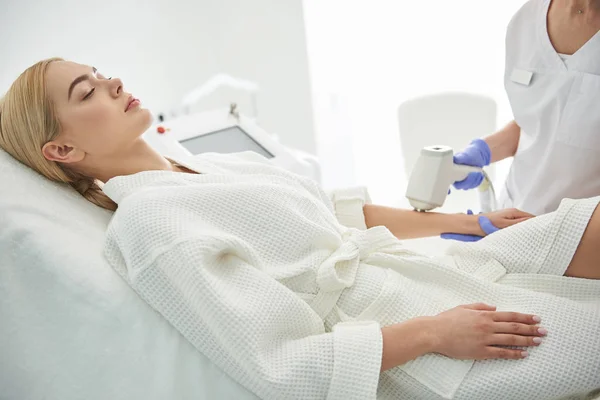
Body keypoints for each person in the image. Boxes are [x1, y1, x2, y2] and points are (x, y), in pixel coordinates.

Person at [1, 59, 599, 400]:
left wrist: (474, 221)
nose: (113, 83)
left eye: (103, 74)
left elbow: (339, 212)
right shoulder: (151, 224)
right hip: (417, 337)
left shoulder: (211, 166)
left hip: (435, 271)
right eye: (88, 91)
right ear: (63, 148)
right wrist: (434, 333)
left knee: (579, 221)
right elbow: (279, 367)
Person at [453, 0, 600, 216]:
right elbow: (545, 117)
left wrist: (555, 229)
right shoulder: (526, 20)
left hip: (584, 236)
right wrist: (484, 150)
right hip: (512, 213)